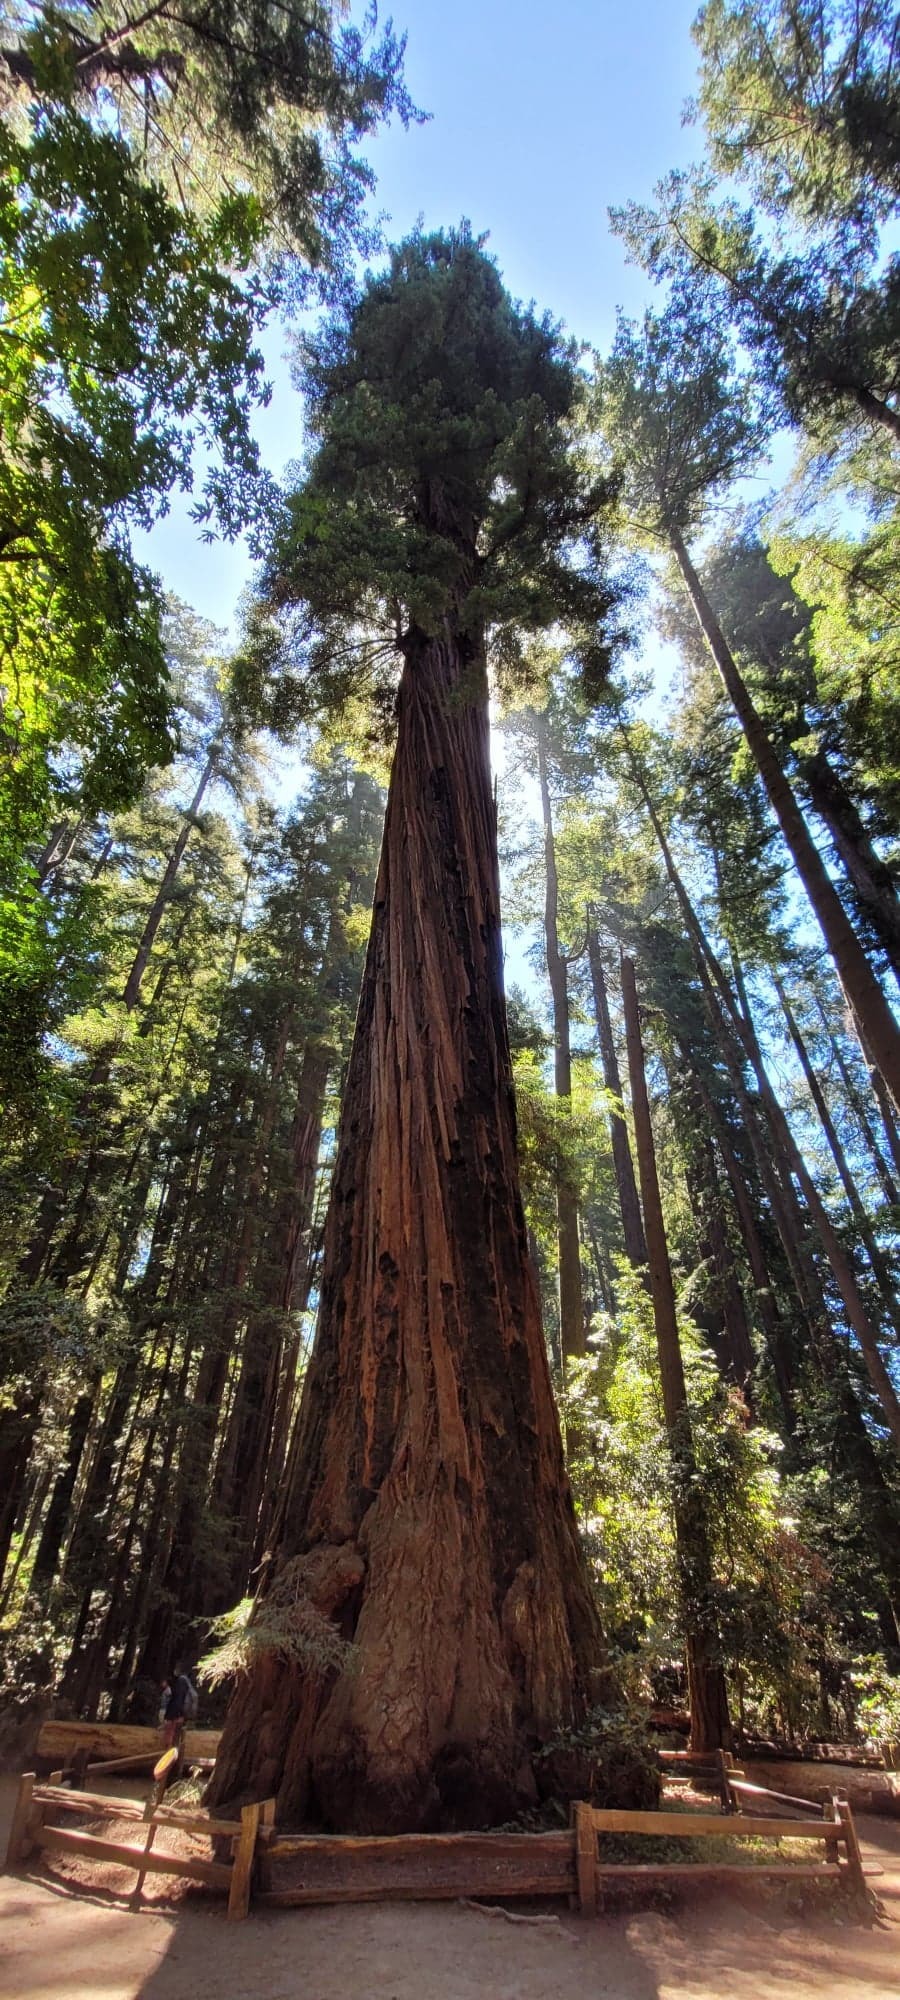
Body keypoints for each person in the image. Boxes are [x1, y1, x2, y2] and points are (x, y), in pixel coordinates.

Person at [161, 1661, 194, 1748]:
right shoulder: (186, 1682)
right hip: (180, 1713)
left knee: (170, 1734)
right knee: (176, 1735)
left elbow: (177, 1699)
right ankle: (173, 1752)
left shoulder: (181, 1681)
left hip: (176, 1713)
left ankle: (169, 1753)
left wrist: (170, 1715)